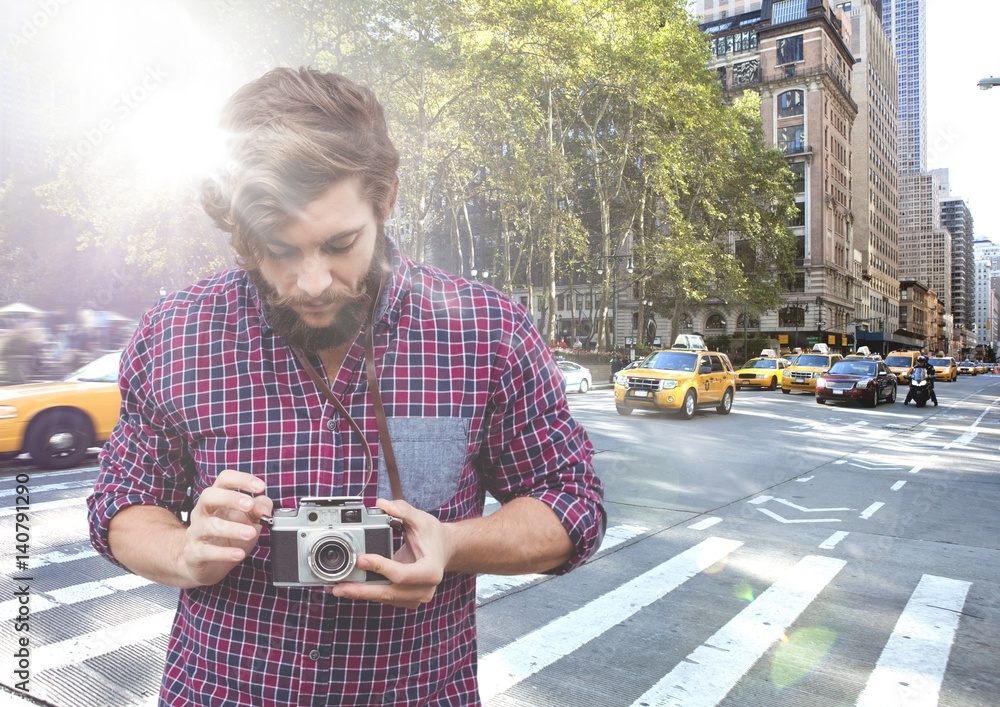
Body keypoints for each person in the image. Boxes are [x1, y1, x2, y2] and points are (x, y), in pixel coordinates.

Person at [87, 67, 605, 706]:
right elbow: (120, 503)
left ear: (386, 200)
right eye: (278, 249)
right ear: (241, 232)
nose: (311, 282)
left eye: (340, 244)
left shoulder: (486, 330)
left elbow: (571, 504)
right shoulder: (175, 333)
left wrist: (452, 544)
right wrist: (181, 552)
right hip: (217, 690)